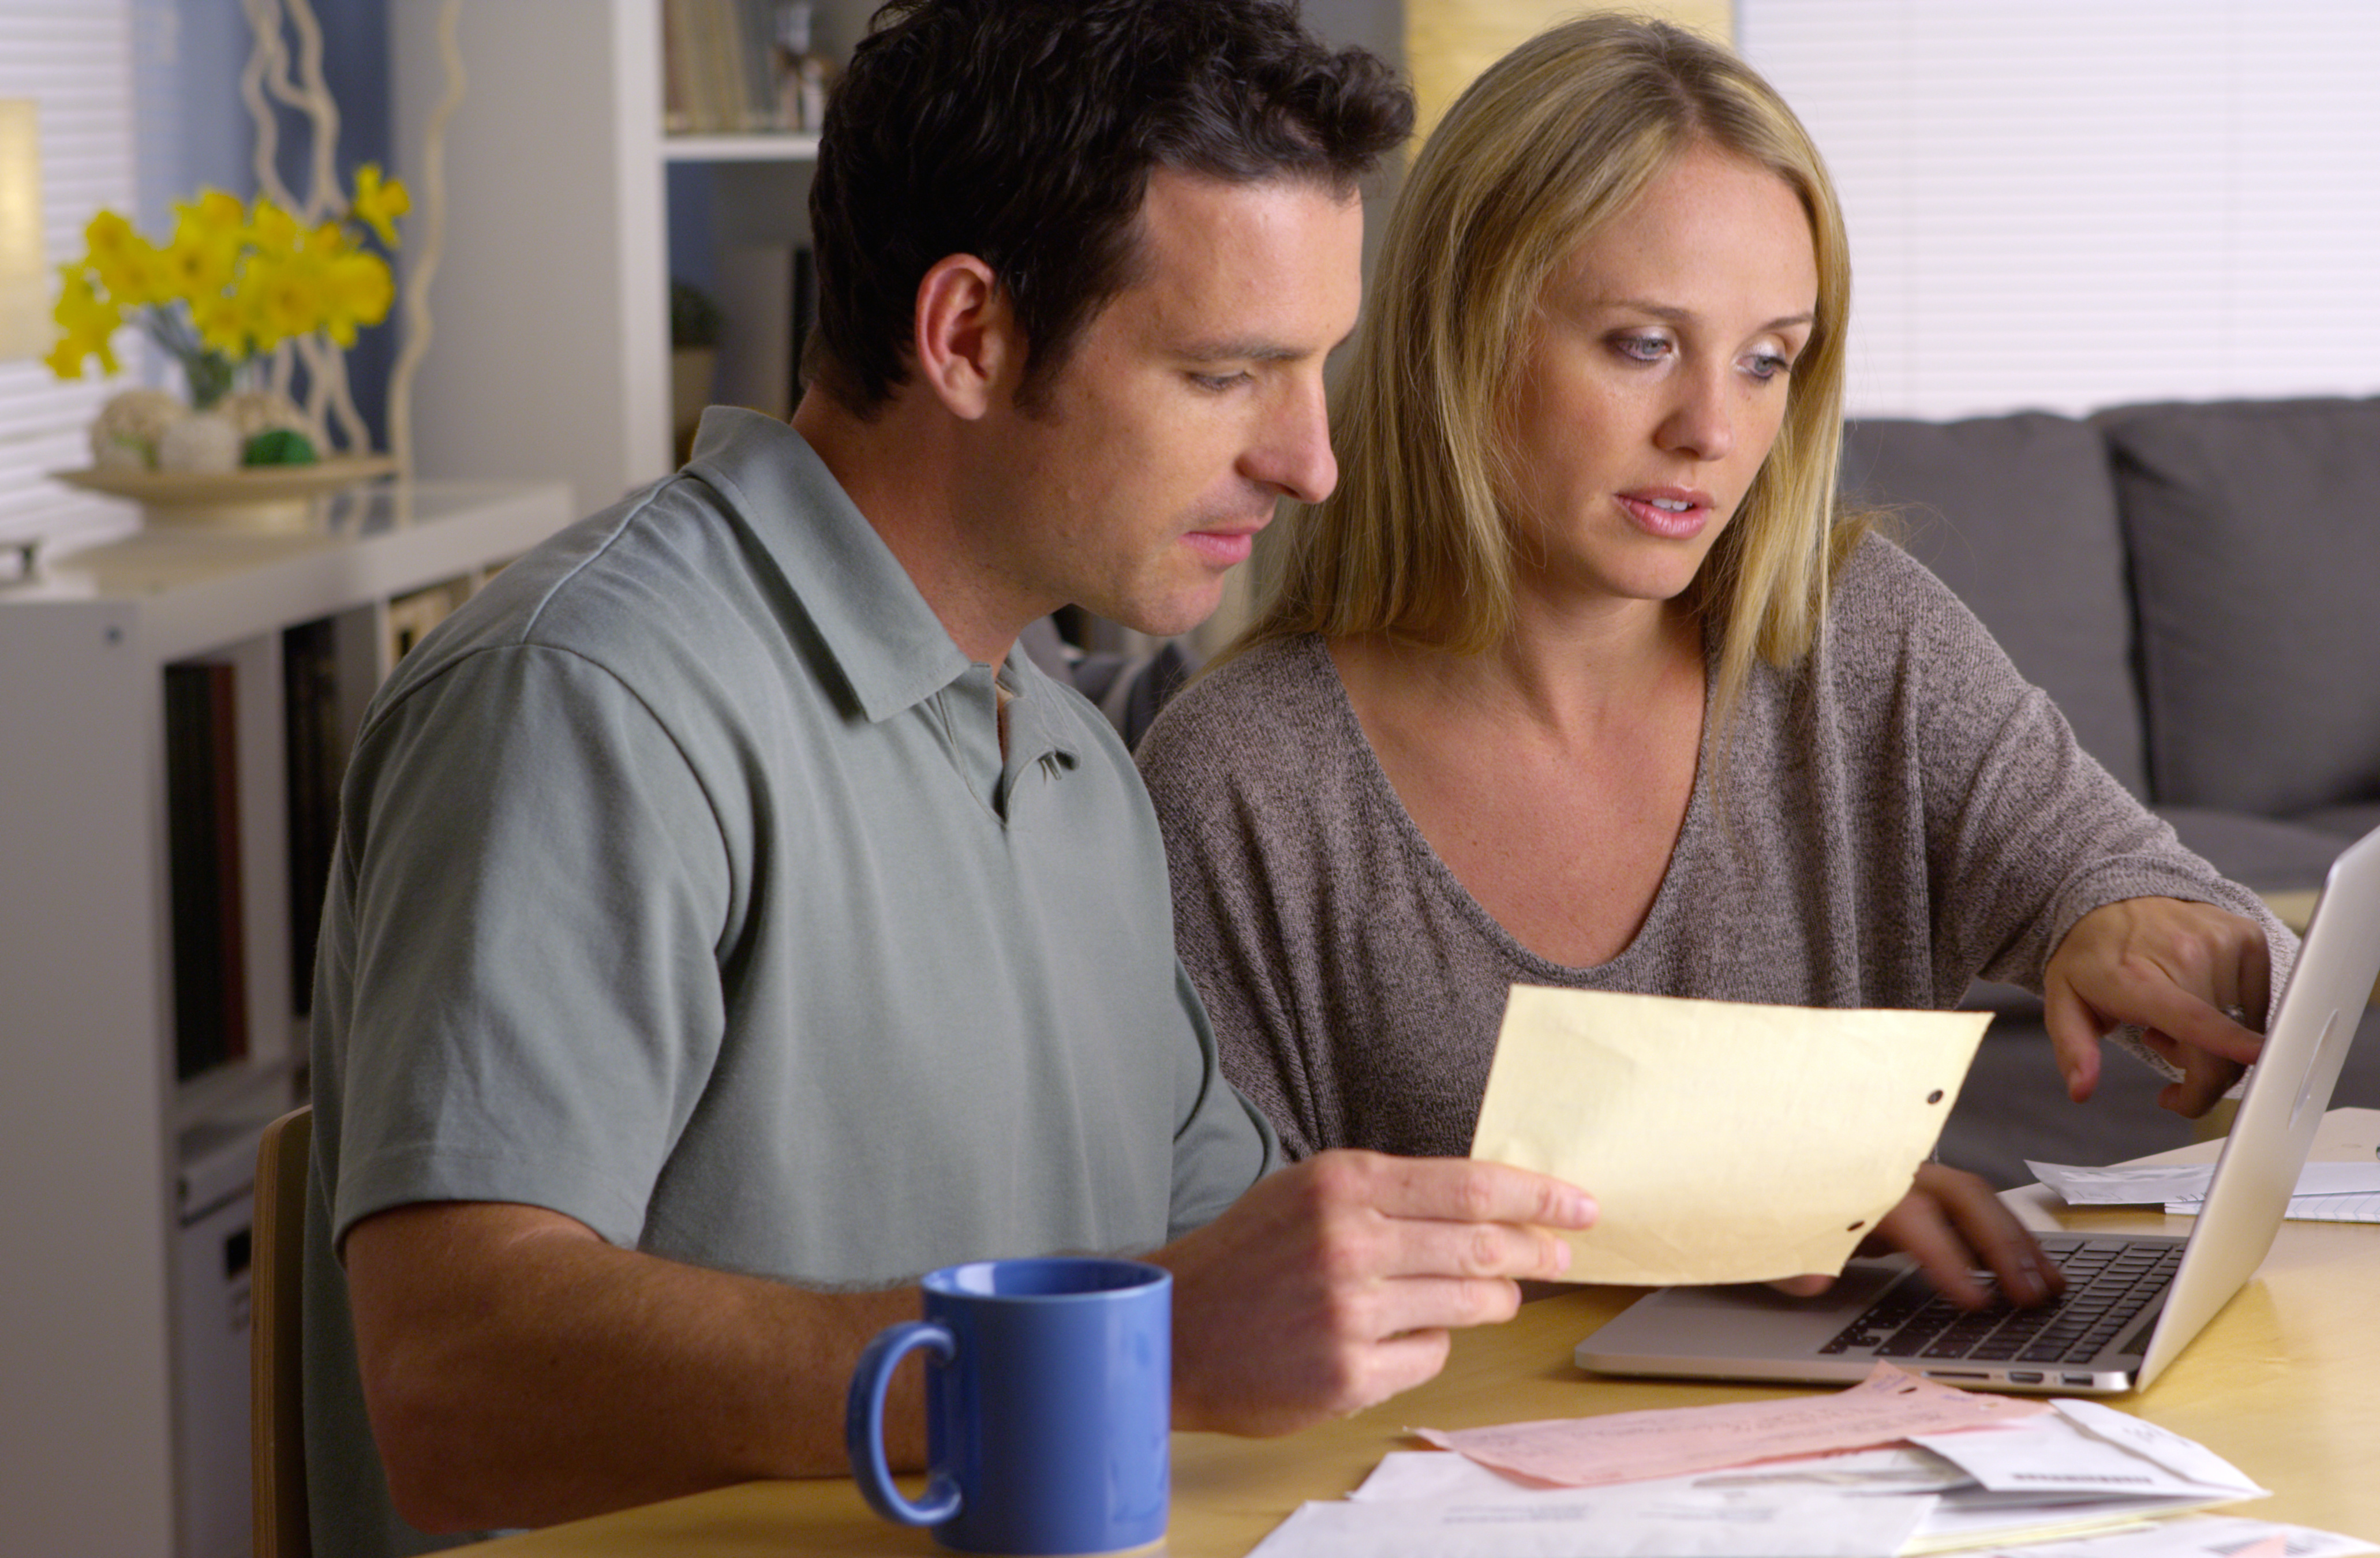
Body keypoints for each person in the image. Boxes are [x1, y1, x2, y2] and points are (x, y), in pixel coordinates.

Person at [301, 5, 1597, 1555]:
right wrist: (1147, 1348)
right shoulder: (590, 701)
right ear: (970, 336)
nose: (1309, 460)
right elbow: (459, 1391)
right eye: (1226, 372)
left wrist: (1761, 1226)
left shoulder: (1066, 761)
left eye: (1315, 369)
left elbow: (1242, 1273)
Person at [1136, 14, 2295, 1312]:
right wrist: (1744, 1204)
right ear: (1464, 330)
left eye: (1767, 361)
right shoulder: (1239, 778)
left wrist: (2154, 930)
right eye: (1641, 344)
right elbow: (1230, 1289)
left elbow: (2173, 906)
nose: (1710, 429)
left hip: (1845, 1462)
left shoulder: (1849, 638)